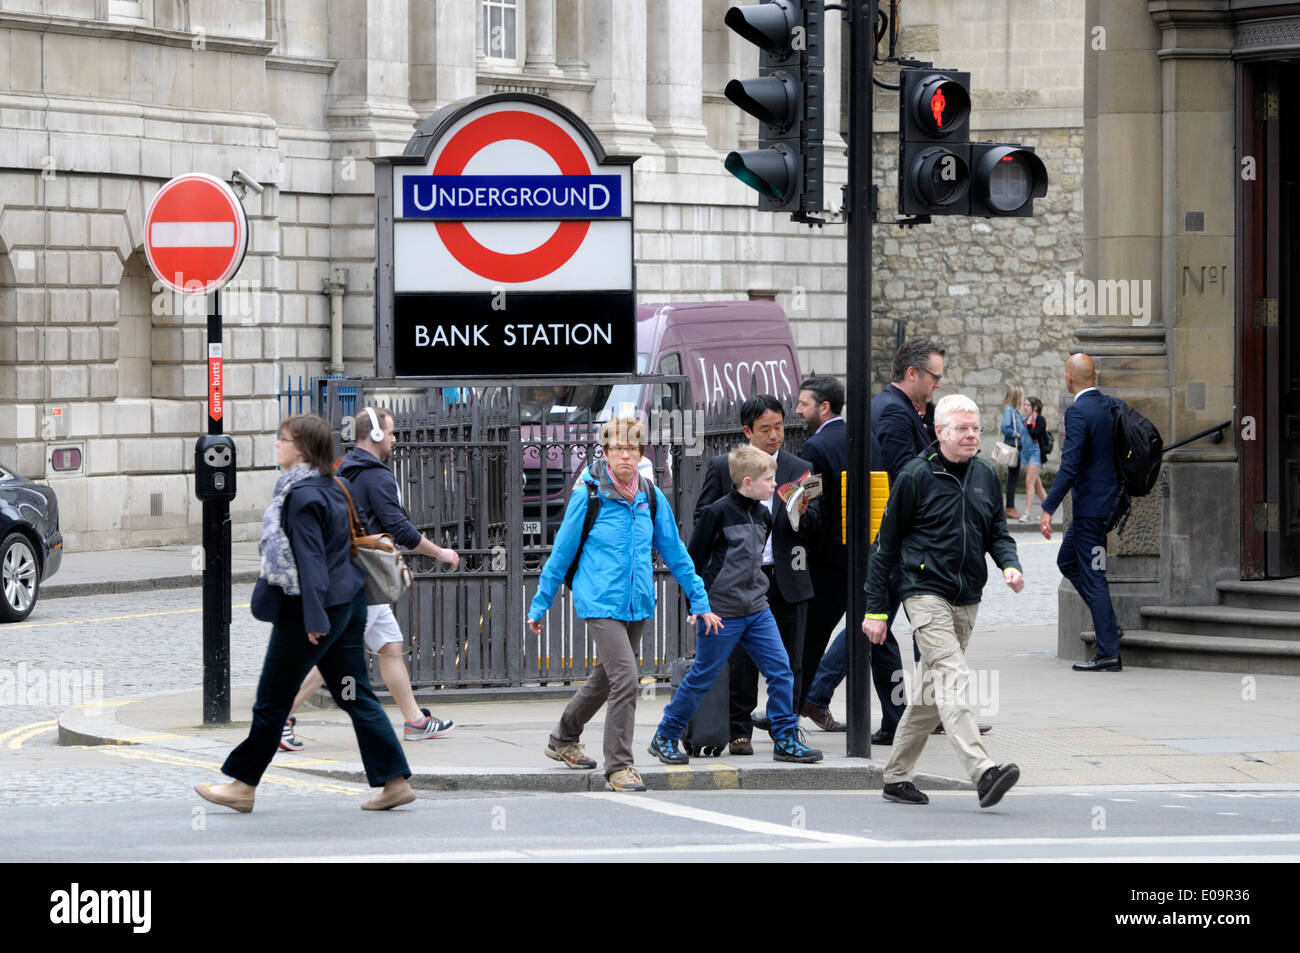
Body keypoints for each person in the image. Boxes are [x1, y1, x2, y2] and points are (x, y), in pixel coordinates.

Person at [194, 414, 414, 813]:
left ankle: (243, 786)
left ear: (302, 448)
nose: (277, 444)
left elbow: (310, 561)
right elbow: (347, 542)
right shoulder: (336, 486)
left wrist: (313, 620)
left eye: (283, 439)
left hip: (310, 612)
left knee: (271, 701)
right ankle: (394, 781)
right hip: (349, 606)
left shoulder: (301, 495)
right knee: (355, 694)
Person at [528, 417, 721, 791]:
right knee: (627, 679)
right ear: (605, 451)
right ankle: (619, 766)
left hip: (637, 603)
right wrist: (540, 604)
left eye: (633, 448)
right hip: (598, 600)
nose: (626, 455)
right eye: (618, 448)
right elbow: (562, 554)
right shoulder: (589, 494)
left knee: (606, 677)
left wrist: (698, 597)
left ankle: (563, 738)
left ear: (641, 452)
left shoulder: (650, 495)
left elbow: (676, 553)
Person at [864, 395, 1024, 809]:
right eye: (962, 429)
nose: (971, 435)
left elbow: (998, 534)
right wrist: (876, 610)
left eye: (976, 428)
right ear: (939, 432)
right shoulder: (915, 476)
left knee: (930, 693)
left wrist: (1010, 565)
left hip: (967, 597)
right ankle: (983, 771)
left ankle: (896, 777)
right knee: (953, 676)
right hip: (923, 592)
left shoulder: (986, 475)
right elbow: (885, 545)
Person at [280, 406, 461, 751]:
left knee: (390, 645)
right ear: (376, 435)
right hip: (362, 579)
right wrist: (440, 553)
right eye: (391, 433)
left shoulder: (346, 469)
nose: (394, 439)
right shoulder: (376, 476)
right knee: (333, 655)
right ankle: (280, 717)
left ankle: (416, 721)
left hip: (353, 575)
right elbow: (399, 528)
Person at [648, 446, 823, 766]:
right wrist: (696, 607)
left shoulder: (764, 515)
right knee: (703, 675)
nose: (774, 484)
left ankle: (785, 738)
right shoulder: (716, 513)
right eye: (768, 479)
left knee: (781, 671)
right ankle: (664, 736)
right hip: (720, 611)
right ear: (747, 481)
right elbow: (694, 561)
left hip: (757, 608)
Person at [694, 394, 819, 755]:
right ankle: (739, 728)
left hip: (787, 577)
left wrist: (799, 513)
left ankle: (786, 730)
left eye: (779, 427)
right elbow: (705, 517)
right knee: (741, 661)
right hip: (737, 580)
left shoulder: (802, 468)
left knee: (788, 662)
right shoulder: (724, 466)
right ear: (747, 431)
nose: (775, 436)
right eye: (765, 429)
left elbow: (816, 525)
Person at [1039, 354, 1124, 672]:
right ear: (1096, 375)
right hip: (1106, 505)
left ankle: (1108, 652)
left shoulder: (1078, 412)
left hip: (1090, 510)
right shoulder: (1108, 406)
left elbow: (1070, 466)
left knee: (1094, 576)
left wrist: (1048, 507)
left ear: (1068, 378)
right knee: (1067, 561)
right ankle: (1108, 629)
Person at [1020, 396, 1049, 523]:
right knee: (1037, 485)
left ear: (1035, 407)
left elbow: (1036, 434)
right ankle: (1048, 510)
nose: (1025, 407)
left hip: (1036, 453)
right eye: (1024, 405)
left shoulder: (1040, 420)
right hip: (1026, 454)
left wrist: (1031, 424)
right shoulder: (1025, 419)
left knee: (1029, 482)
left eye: (1027, 405)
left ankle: (1027, 513)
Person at [1000, 385, 1027, 519]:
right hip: (1013, 447)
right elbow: (1005, 427)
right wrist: (1015, 434)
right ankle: (1009, 508)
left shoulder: (1014, 411)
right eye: (1021, 395)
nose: (1023, 398)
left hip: (1018, 447)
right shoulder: (1009, 410)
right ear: (1017, 397)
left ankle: (1010, 507)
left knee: (1014, 478)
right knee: (1013, 479)